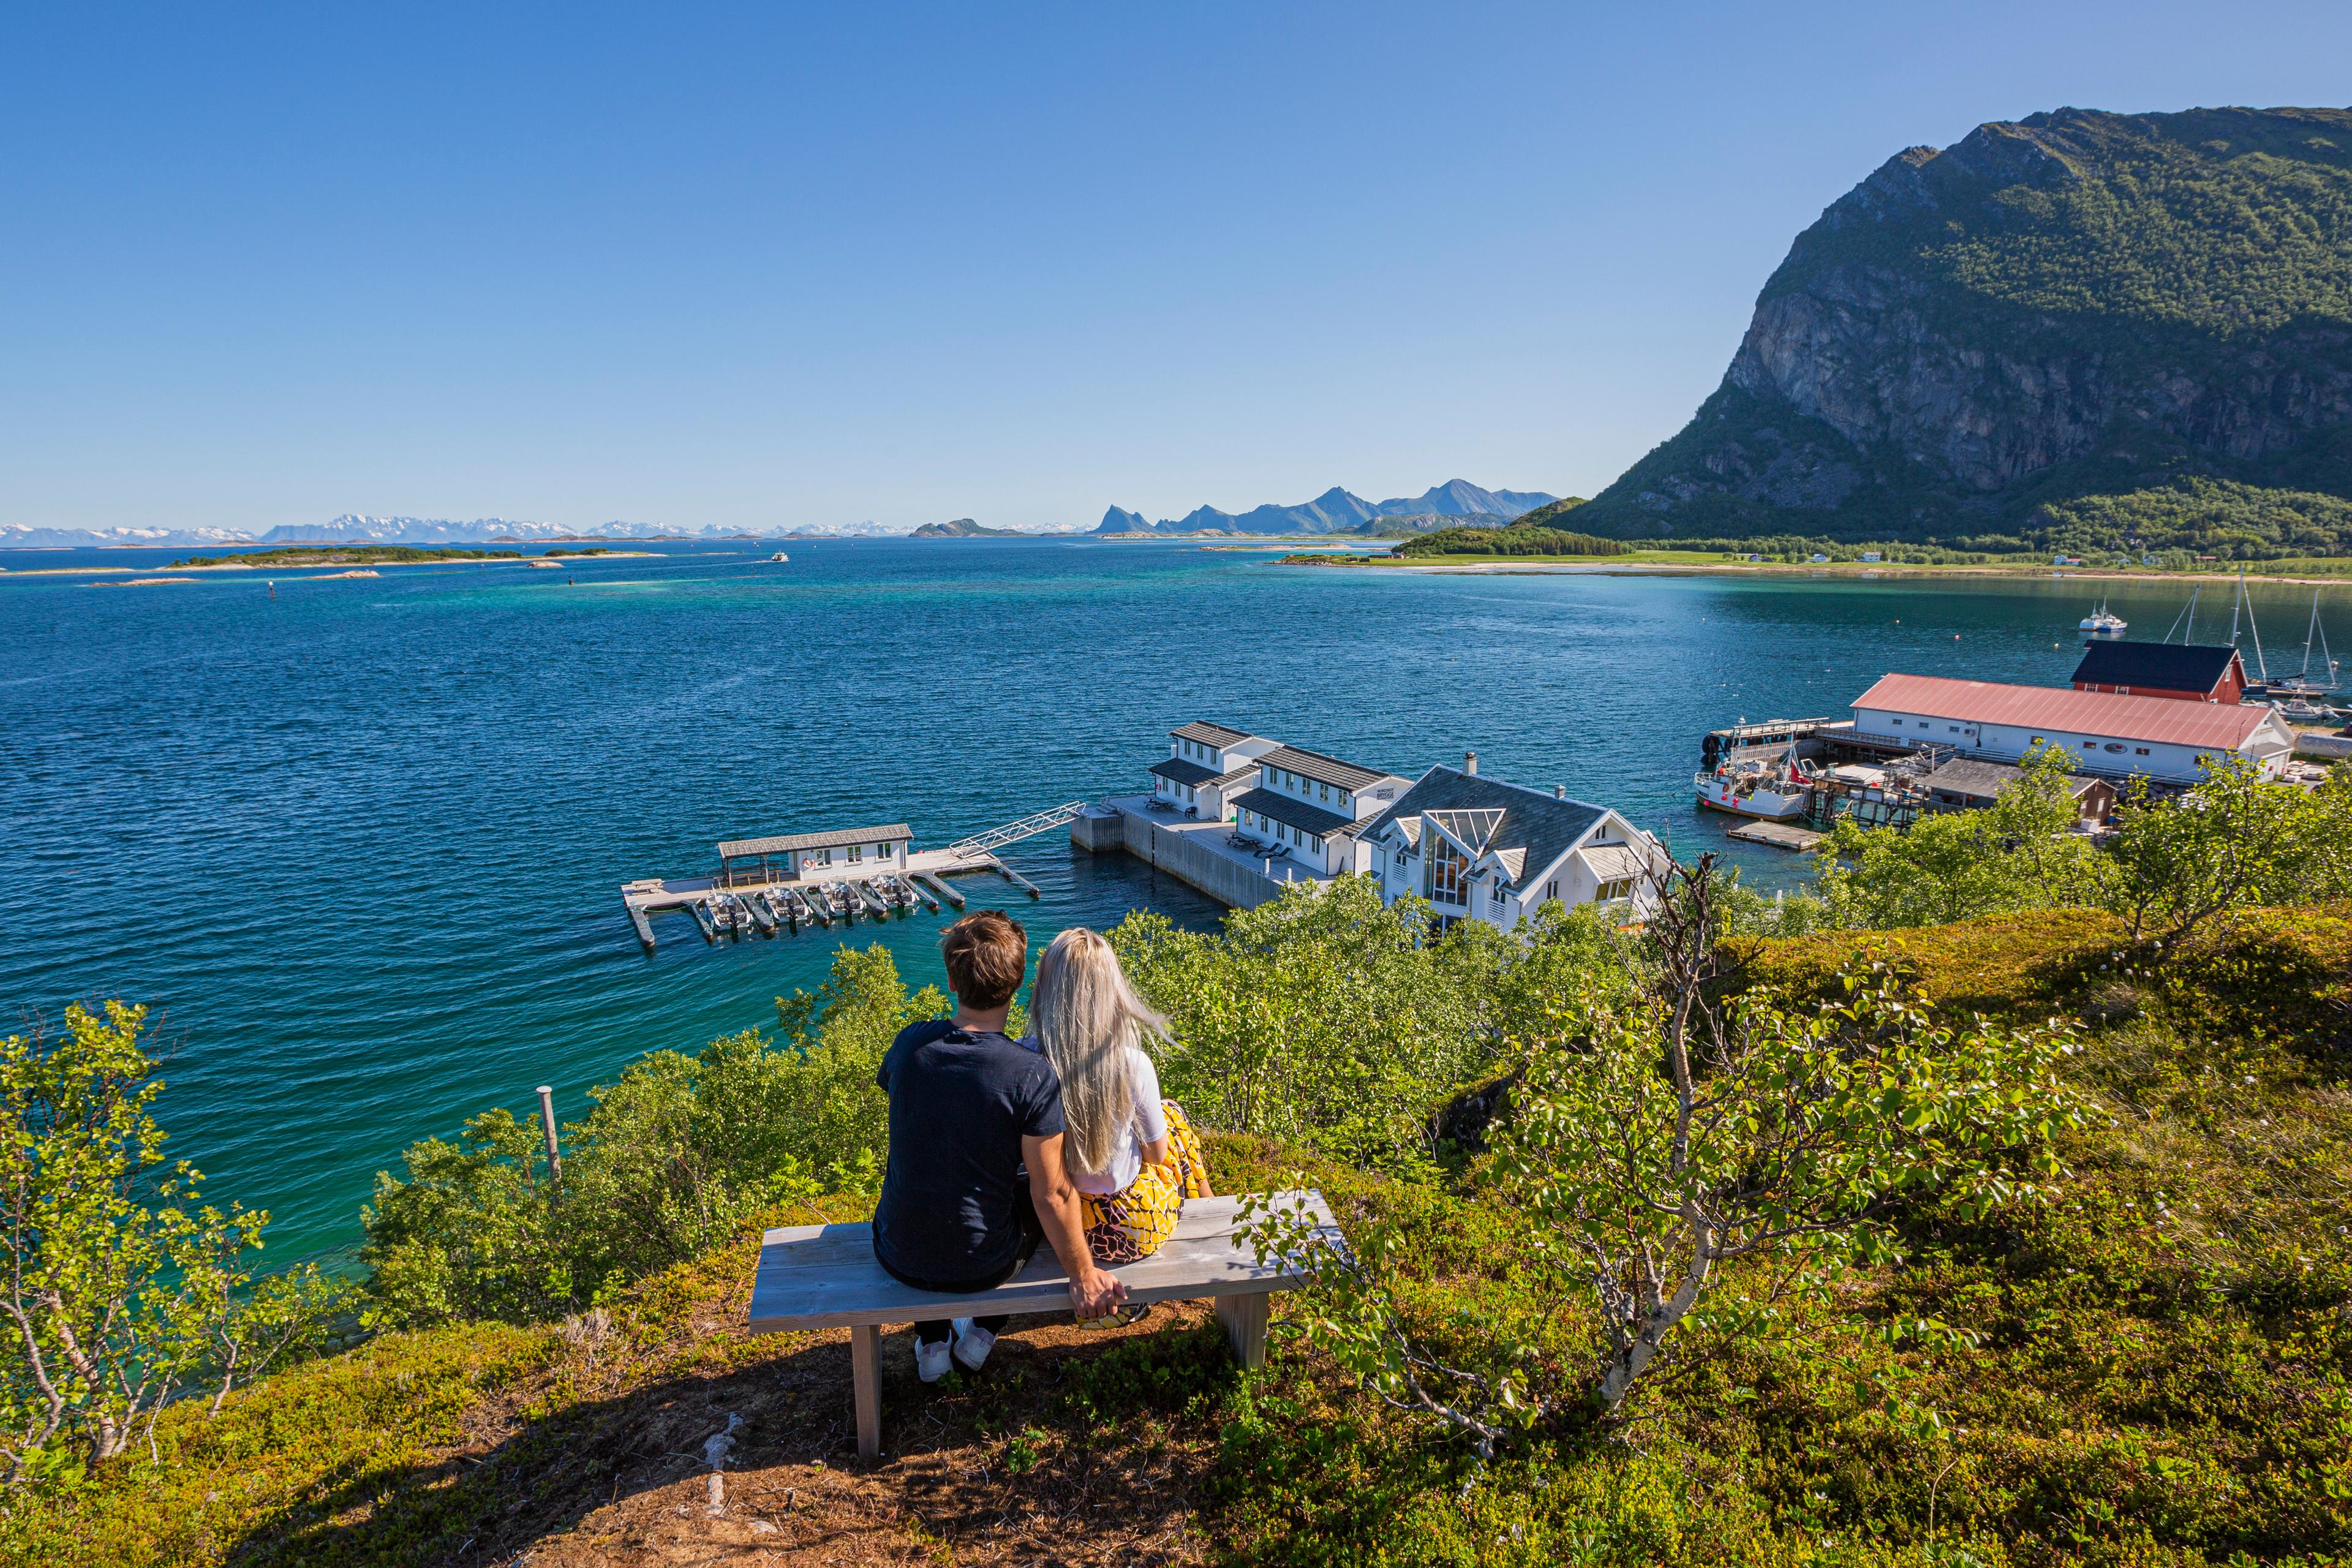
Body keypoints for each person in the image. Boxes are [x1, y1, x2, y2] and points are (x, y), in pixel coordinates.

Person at [871, 910, 1127, 1383]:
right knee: (1035, 1182)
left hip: (899, 1251)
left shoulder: (909, 1046)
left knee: (928, 1174)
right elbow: (1052, 1196)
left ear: (951, 980)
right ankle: (983, 1333)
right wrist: (1083, 1273)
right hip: (982, 1264)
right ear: (1017, 985)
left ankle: (931, 1343)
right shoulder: (1029, 1075)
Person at [1029, 927, 1212, 1298]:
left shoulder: (1025, 1062)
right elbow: (1157, 1156)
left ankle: (1209, 1210)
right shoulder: (1132, 1064)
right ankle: (1210, 1215)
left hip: (1057, 1227)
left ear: (1046, 990)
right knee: (1172, 1117)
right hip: (1130, 1229)